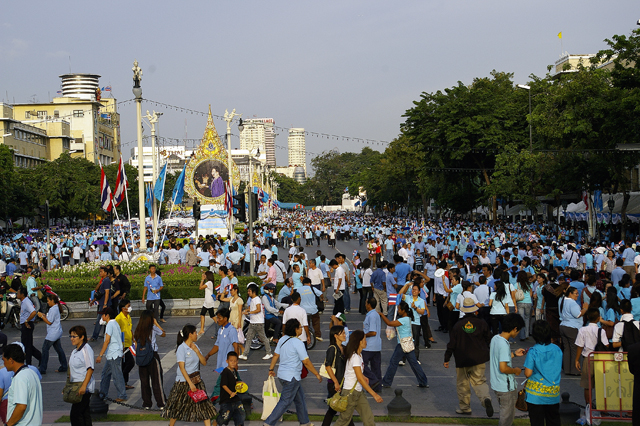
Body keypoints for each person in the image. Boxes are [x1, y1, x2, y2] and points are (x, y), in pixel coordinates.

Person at [263, 318, 322, 426]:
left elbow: (276, 355)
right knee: (285, 402)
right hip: (292, 377)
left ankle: (304, 422)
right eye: (300, 327)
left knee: (300, 399)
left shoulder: (282, 339)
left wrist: (271, 369)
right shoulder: (297, 342)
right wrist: (316, 374)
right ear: (295, 329)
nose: (301, 329)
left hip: (282, 375)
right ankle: (268, 423)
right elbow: (306, 361)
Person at [444, 297, 494, 417]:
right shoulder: (482, 323)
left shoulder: (458, 325)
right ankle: (485, 399)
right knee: (479, 381)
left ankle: (465, 407)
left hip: (462, 359)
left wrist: (447, 358)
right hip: (479, 358)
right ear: (475, 310)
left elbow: (452, 344)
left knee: (462, 383)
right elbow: (489, 339)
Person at [161, 324, 217, 426]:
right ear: (190, 334)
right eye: (195, 333)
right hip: (183, 382)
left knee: (204, 406)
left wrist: (196, 351)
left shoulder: (196, 346)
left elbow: (204, 362)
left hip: (197, 381)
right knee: (177, 407)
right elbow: (182, 368)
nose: (197, 334)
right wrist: (190, 384)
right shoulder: (181, 348)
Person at [333, 330, 383, 426]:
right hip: (350, 393)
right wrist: (374, 394)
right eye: (364, 339)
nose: (366, 341)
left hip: (358, 393)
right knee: (344, 420)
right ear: (359, 342)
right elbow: (359, 378)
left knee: (368, 418)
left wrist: (363, 376)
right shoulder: (355, 357)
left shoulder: (359, 355)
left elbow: (356, 373)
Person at [378, 301, 429, 387]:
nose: (398, 311)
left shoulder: (403, 320)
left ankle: (387, 382)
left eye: (399, 309)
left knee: (393, 362)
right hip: (408, 343)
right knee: (414, 364)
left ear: (403, 310)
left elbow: (389, 323)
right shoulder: (408, 318)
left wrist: (382, 315)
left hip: (402, 344)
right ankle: (423, 381)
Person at [489, 313, 526, 426]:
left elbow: (500, 357)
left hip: (497, 384)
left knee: (504, 413)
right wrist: (515, 370)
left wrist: (514, 354)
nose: (518, 333)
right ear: (515, 329)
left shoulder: (495, 338)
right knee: (507, 418)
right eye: (518, 331)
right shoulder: (504, 344)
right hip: (506, 387)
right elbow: (503, 368)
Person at [524, 321, 563, 426]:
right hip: (552, 393)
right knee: (553, 420)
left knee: (536, 422)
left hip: (535, 396)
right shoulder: (557, 349)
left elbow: (527, 373)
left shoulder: (533, 351)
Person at [575, 308, 610, 406]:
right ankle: (601, 406)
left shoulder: (582, 330)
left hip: (587, 358)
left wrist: (577, 359)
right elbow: (606, 345)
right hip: (599, 358)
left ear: (587, 317)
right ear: (598, 318)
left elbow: (580, 346)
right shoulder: (601, 331)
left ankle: (588, 405)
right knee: (600, 384)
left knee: (587, 385)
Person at [322, 325, 355, 426]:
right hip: (334, 384)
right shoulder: (332, 348)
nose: (345, 335)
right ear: (336, 336)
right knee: (341, 409)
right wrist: (336, 382)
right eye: (343, 333)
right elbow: (328, 366)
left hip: (342, 383)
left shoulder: (343, 348)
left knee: (336, 409)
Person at [133, 310, 166, 410]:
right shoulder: (153, 328)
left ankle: (147, 403)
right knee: (157, 381)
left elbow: (135, 343)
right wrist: (156, 323)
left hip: (141, 357)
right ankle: (161, 403)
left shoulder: (138, 330)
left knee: (144, 381)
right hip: (152, 356)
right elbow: (163, 334)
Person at [2, 343, 43, 426]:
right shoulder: (32, 372)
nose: (4, 364)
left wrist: (8, 424)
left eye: (4, 360)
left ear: (11, 360)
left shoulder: (20, 378)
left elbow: (21, 406)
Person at [96, 307, 127, 402]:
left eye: (103, 314)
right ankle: (103, 394)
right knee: (105, 374)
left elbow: (107, 341)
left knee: (117, 375)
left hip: (113, 354)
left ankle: (122, 395)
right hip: (113, 354)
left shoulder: (110, 324)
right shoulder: (115, 323)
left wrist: (100, 355)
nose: (101, 316)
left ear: (107, 315)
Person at [68, 325, 95, 426]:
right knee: (84, 413)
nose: (72, 339)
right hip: (76, 387)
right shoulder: (75, 351)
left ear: (82, 337)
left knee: (75, 415)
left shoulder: (86, 350)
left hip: (84, 388)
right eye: (71, 336)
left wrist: (84, 386)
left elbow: (90, 369)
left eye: (74, 336)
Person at [559, 286, 587, 376]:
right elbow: (578, 314)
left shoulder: (563, 300)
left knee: (567, 349)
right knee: (575, 349)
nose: (577, 295)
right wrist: (585, 308)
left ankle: (567, 369)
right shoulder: (572, 303)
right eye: (576, 293)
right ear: (570, 293)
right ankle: (575, 370)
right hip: (572, 327)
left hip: (563, 325)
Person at [239, 284, 272, 360]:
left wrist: (249, 312)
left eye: (249, 291)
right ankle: (245, 354)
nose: (248, 292)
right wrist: (245, 310)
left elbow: (258, 309)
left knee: (263, 338)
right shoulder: (253, 299)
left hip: (258, 323)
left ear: (254, 291)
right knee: (248, 338)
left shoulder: (257, 299)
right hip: (253, 322)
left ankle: (269, 353)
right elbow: (251, 307)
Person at [36, 294, 67, 374]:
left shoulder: (53, 309)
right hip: (56, 332)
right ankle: (64, 366)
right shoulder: (55, 308)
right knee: (59, 349)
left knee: (45, 349)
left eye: (48, 300)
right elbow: (50, 319)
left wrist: (41, 317)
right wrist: (44, 315)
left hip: (53, 333)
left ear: (52, 301)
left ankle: (43, 368)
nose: (48, 302)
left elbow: (49, 322)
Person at [217, 351, 245, 426]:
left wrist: (239, 383)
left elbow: (233, 381)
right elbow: (223, 385)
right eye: (231, 361)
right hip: (226, 399)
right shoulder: (225, 372)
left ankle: (239, 424)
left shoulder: (234, 371)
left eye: (235, 361)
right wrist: (230, 393)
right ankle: (216, 422)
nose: (233, 362)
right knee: (225, 416)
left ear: (237, 361)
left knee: (240, 414)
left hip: (235, 398)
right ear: (227, 361)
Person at [17, 287, 41, 366]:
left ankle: (28, 363)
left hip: (27, 325)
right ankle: (41, 358)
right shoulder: (24, 301)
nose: (17, 294)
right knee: (27, 345)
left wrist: (27, 321)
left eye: (18, 293)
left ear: (22, 294)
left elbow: (33, 312)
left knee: (27, 346)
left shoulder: (26, 302)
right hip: (25, 325)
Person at [362, 298, 382, 391]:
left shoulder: (372, 316)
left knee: (362, 364)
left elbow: (373, 332)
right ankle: (377, 386)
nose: (365, 305)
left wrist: (363, 335)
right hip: (377, 346)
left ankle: (373, 380)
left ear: (369, 304)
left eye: (366, 303)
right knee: (376, 367)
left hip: (369, 346)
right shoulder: (375, 314)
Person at [115, 299, 135, 390]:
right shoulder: (118, 319)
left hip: (129, 343)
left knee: (125, 364)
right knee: (130, 362)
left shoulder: (128, 317)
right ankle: (121, 380)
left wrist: (133, 339)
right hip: (123, 345)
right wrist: (120, 346)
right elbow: (116, 333)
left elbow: (130, 329)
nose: (129, 307)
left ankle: (124, 383)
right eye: (128, 306)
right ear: (123, 308)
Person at [90, 265, 112, 341]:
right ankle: (106, 335)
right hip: (102, 302)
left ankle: (94, 336)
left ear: (105, 273)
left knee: (99, 320)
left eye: (101, 272)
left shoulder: (106, 281)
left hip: (104, 303)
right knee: (105, 320)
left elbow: (106, 293)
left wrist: (105, 304)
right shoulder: (103, 280)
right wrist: (93, 300)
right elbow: (100, 292)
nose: (100, 273)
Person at [198, 271, 216, 335]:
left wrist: (202, 279)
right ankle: (202, 329)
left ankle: (222, 324)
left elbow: (200, 287)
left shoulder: (209, 283)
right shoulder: (209, 282)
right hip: (207, 301)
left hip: (208, 302)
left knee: (212, 316)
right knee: (202, 314)